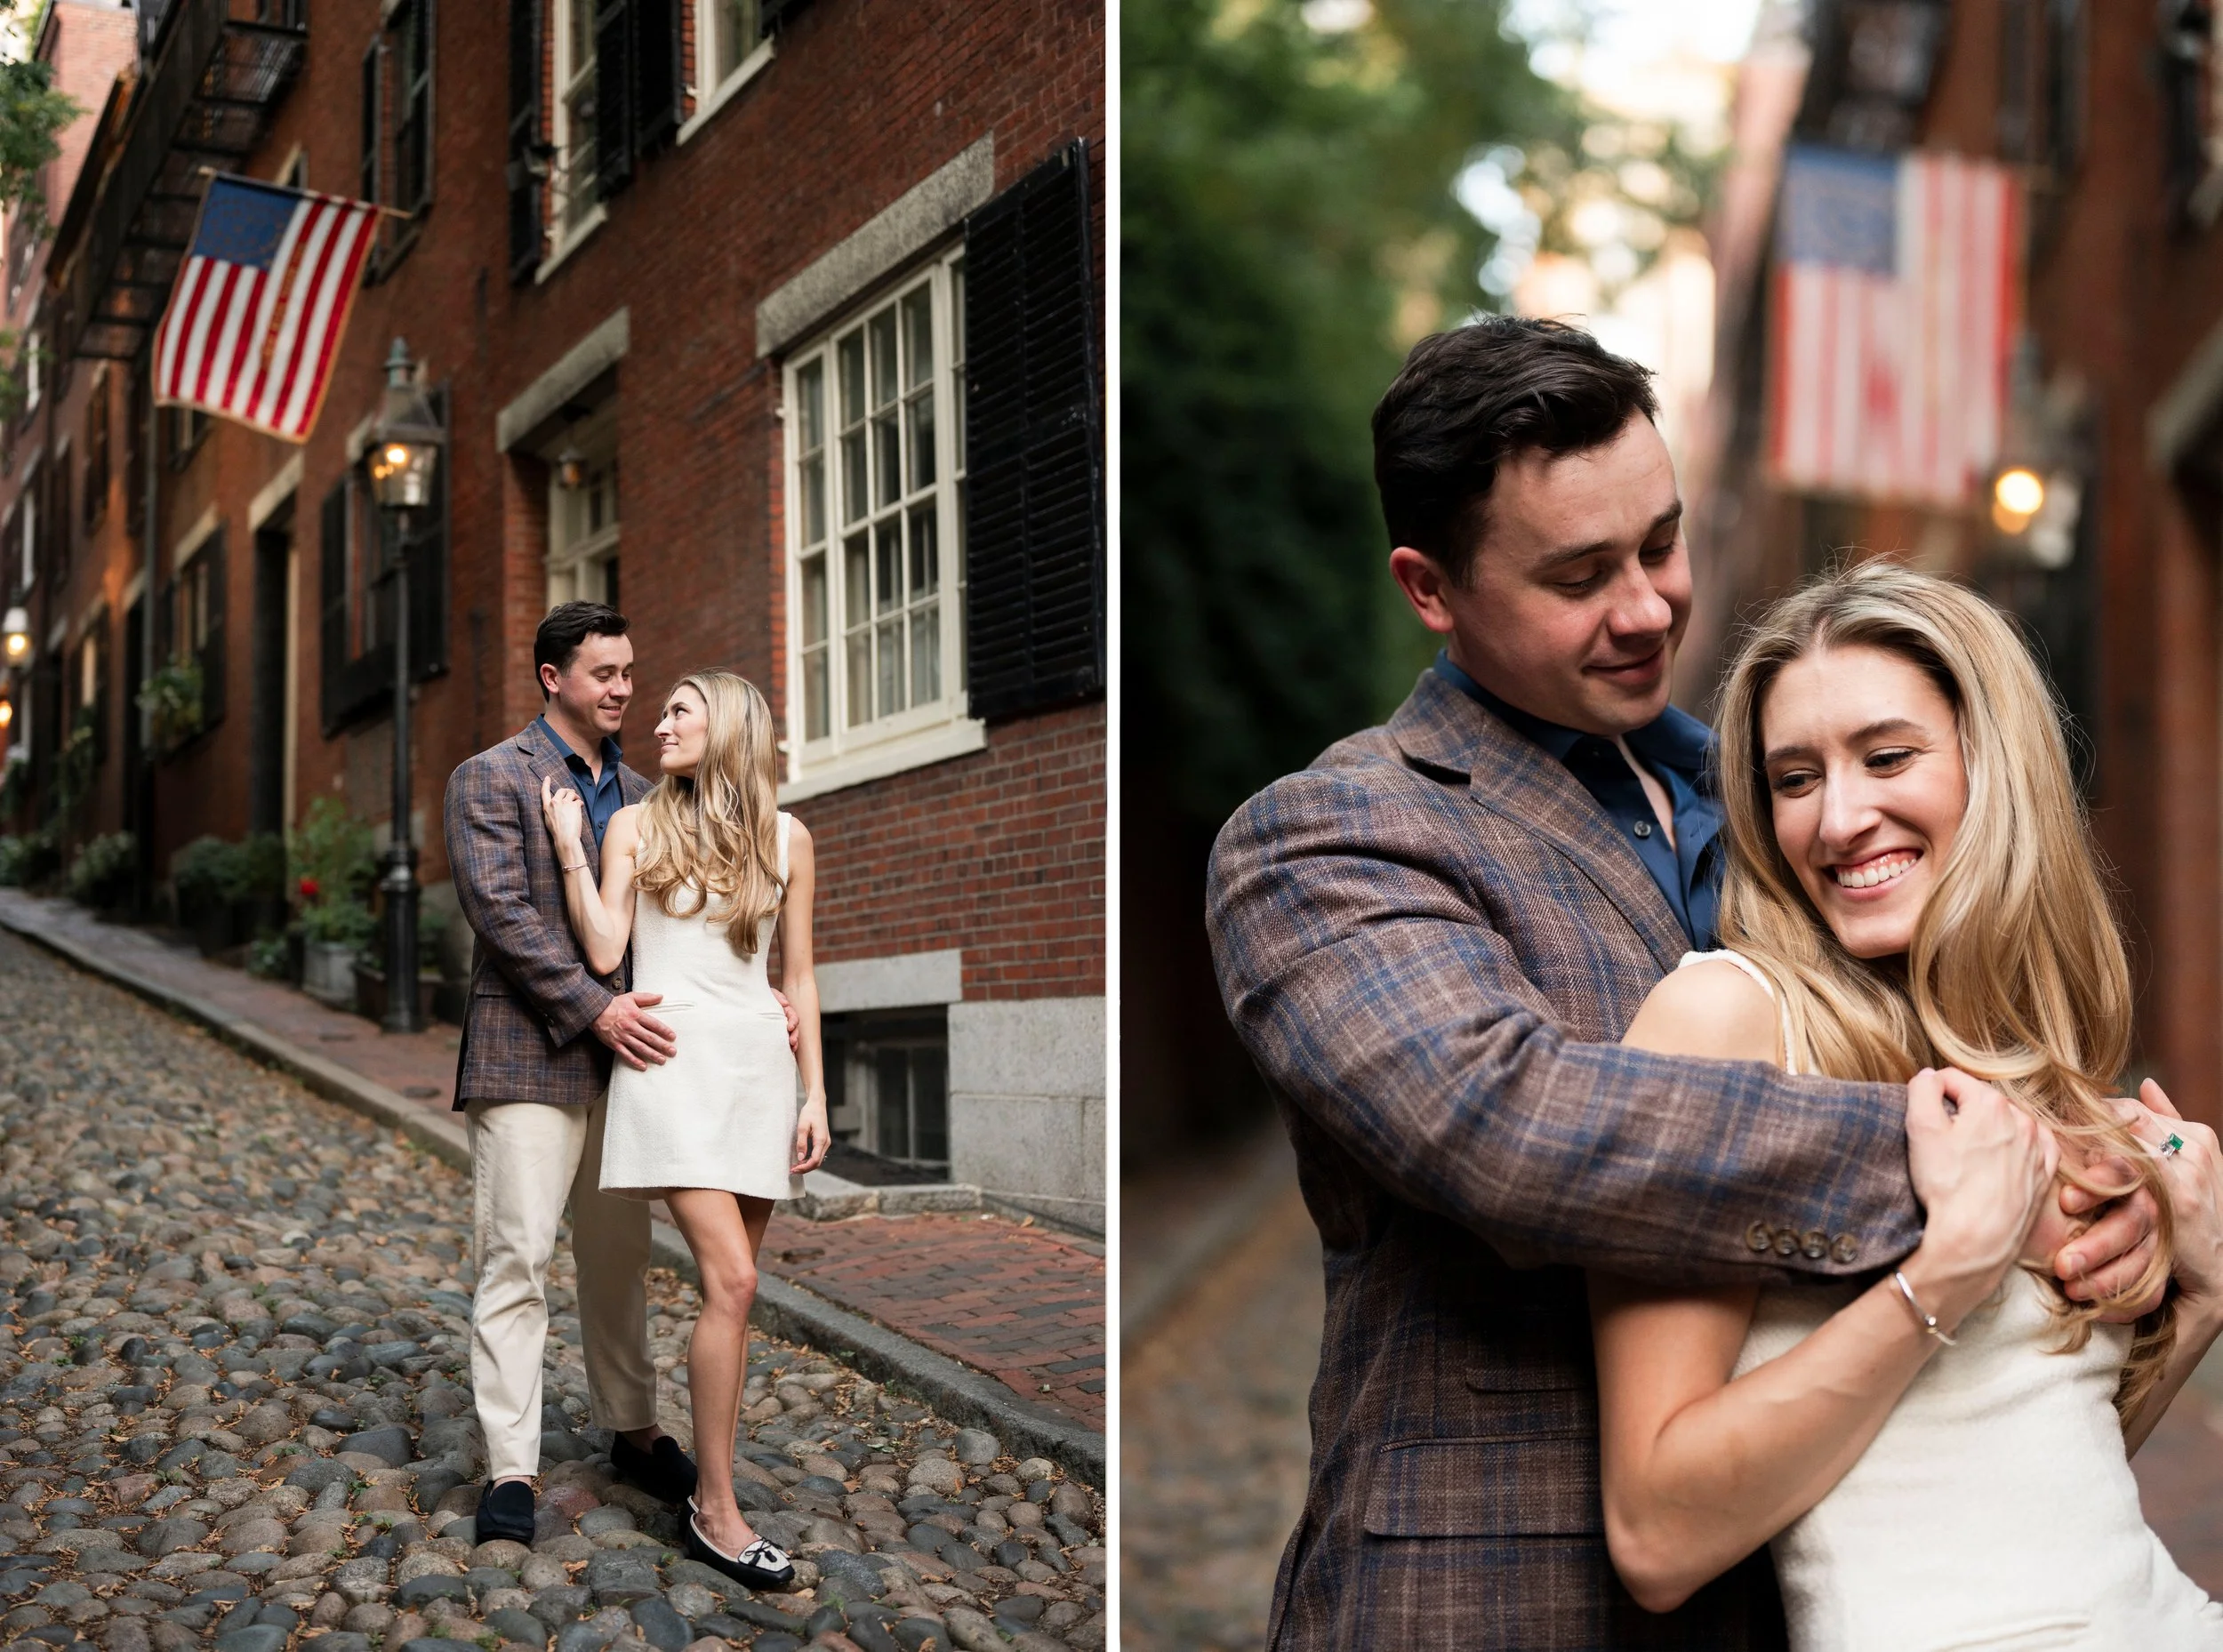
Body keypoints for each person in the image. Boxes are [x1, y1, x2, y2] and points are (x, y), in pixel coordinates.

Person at [1205, 317, 2166, 1648]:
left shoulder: (1789, 806)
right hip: (1497, 1600)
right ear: (1431, 587)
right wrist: (2017, 1163)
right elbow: (1513, 1128)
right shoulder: (1330, 836)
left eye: (1661, 542)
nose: (1651, 605)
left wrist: (2139, 1217)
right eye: (1582, 574)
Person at [1591, 561, 2223, 1648]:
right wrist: (1944, 1272)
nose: (1838, 818)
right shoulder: (1726, 1023)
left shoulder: (2021, 1045)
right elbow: (1656, 1532)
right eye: (1794, 779)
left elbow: (2025, 1488)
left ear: (1996, 763)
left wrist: (2202, 1303)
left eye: (1886, 758)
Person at [541, 669, 831, 1591]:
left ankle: (713, 1486)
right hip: (670, 1069)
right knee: (734, 1278)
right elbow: (600, 948)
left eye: (678, 711)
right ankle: (715, 1509)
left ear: (729, 729)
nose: (658, 723)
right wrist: (569, 849)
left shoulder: (788, 838)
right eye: (659, 710)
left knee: (732, 1300)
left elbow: (802, 976)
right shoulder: (634, 822)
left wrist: (815, 1093)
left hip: (757, 1073)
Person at [445, 601, 698, 1545]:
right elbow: (504, 916)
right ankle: (512, 1467)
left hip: (630, 1070)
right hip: (526, 1055)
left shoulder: (646, 790)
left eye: (630, 671)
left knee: (620, 1263)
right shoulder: (489, 778)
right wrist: (596, 1009)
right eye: (605, 673)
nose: (624, 689)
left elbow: (671, 927)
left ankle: (634, 1430)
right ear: (553, 676)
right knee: (516, 1259)